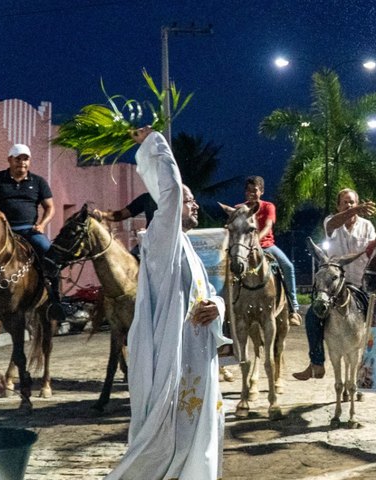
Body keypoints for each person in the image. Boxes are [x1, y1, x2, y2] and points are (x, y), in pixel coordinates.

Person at [105, 126, 231, 480]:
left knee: (199, 428)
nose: (193, 205)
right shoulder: (162, 239)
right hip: (170, 355)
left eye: (192, 200)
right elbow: (173, 190)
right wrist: (154, 142)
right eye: (188, 201)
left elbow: (206, 295)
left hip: (195, 357)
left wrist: (217, 308)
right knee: (164, 437)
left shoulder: (189, 249)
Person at [293, 188, 376, 381]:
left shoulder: (367, 226)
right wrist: (355, 210)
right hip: (333, 286)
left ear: (358, 203)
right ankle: (316, 362)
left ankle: (367, 372)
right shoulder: (331, 222)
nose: (349, 205)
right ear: (338, 206)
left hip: (359, 284)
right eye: (345, 202)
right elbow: (333, 223)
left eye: (352, 202)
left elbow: (372, 250)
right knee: (313, 316)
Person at [0, 143, 64, 321]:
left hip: (29, 230)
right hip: (3, 233)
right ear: (10, 160)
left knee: (51, 255)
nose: (22, 163)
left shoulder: (38, 182)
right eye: (18, 159)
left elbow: (50, 207)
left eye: (25, 159)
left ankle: (55, 301)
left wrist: (42, 224)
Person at [236, 175, 301, 326]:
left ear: (262, 191)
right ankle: (230, 307)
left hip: (267, 246)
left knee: (288, 267)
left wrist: (256, 240)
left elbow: (267, 226)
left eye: (255, 190)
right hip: (245, 247)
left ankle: (293, 308)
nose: (251, 193)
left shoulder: (268, 207)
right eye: (248, 190)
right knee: (230, 267)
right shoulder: (240, 208)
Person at [94, 192, 157, 258]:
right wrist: (103, 214)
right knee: (132, 262)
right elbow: (122, 214)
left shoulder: (168, 199)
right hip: (149, 242)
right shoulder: (147, 198)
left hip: (167, 245)